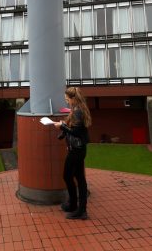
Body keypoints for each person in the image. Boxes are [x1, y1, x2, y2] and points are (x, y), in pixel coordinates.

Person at [54, 87, 92, 220]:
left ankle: (78, 208)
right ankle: (77, 207)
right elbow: (76, 128)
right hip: (79, 150)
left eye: (67, 99)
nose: (67, 101)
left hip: (76, 151)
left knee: (68, 176)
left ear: (73, 99)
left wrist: (62, 127)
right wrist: (63, 130)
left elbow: (76, 132)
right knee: (79, 178)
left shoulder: (77, 112)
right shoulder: (78, 109)